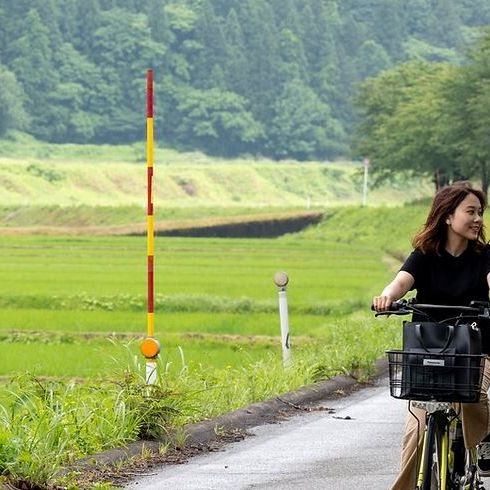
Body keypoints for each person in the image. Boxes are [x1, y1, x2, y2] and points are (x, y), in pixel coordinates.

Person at [373, 181, 490, 489]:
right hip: (428, 350)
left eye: (480, 212)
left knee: (473, 395)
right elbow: (400, 283)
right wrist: (386, 297)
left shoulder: (484, 256)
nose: (478, 219)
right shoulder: (425, 255)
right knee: (416, 428)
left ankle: (480, 445)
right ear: (448, 216)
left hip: (474, 349)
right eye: (471, 212)